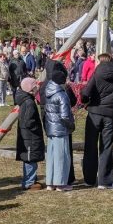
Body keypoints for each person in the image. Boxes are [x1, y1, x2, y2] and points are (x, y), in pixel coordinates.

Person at [81, 52, 113, 190]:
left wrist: (85, 101)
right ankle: (105, 181)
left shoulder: (97, 74)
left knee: (90, 146)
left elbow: (86, 92)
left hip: (94, 113)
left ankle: (89, 179)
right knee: (106, 148)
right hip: (109, 113)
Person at [43, 63, 75, 191]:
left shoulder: (48, 92)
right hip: (61, 129)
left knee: (51, 156)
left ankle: (50, 182)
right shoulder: (62, 95)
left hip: (51, 128)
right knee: (62, 156)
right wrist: (71, 126)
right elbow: (65, 116)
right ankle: (61, 183)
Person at [13, 78, 45, 191]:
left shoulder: (26, 100)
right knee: (30, 159)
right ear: (31, 89)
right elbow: (28, 121)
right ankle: (29, 182)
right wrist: (36, 128)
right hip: (30, 136)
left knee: (30, 159)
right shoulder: (29, 103)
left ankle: (31, 179)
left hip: (28, 136)